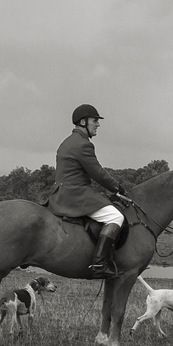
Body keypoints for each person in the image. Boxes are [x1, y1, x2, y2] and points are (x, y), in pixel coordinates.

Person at [47, 104, 128, 278]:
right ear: (83, 122)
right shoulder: (83, 145)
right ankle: (99, 263)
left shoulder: (67, 142)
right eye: (95, 121)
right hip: (76, 195)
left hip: (60, 194)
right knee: (117, 217)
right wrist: (117, 188)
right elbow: (97, 172)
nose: (98, 124)